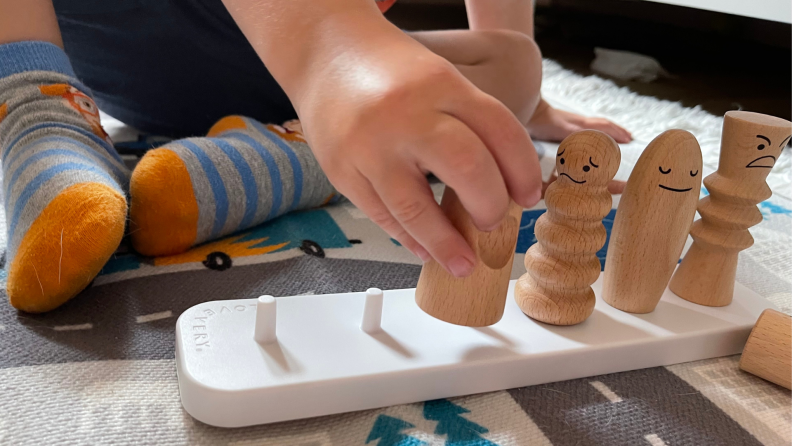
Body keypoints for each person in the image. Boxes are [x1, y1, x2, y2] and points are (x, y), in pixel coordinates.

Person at [0, 0, 631, 312]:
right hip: (138, 39)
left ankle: (289, 150)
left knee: (513, 61)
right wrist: (328, 41)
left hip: (331, 77)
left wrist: (517, 104)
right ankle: (42, 111)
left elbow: (506, 52)